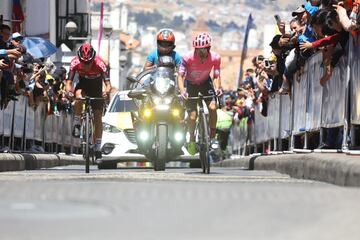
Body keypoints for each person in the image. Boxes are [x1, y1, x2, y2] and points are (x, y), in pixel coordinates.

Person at [177, 32, 223, 155]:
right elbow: (180, 76)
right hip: (190, 84)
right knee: (192, 116)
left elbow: (217, 75)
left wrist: (218, 88)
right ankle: (191, 138)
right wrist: (182, 91)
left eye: (203, 51)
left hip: (205, 82)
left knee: (213, 107)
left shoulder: (215, 57)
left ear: (208, 48)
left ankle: (212, 136)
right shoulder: (187, 58)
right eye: (198, 50)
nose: (200, 53)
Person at [66, 43, 112, 159]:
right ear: (79, 59)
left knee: (97, 117)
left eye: (88, 63)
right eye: (84, 63)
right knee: (78, 96)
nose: (86, 65)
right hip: (83, 86)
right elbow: (69, 83)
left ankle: (97, 147)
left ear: (93, 59)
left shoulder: (100, 64)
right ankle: (77, 123)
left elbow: (108, 85)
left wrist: (106, 92)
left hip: (97, 88)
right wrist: (69, 92)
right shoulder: (75, 62)